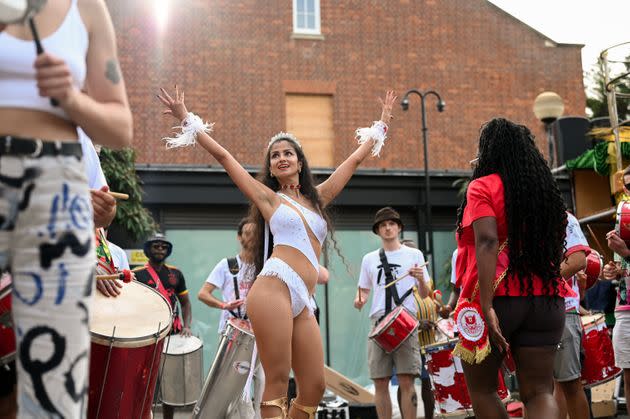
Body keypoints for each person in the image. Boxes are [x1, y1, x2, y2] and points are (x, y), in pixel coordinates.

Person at [157, 86, 397, 419]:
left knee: (312, 386)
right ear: (271, 167)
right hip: (274, 286)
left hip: (304, 297)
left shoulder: (317, 199)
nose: (281, 158)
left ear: (299, 162)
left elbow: (354, 160)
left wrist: (383, 121)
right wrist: (188, 120)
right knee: (278, 380)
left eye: (287, 153)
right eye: (275, 155)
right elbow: (226, 159)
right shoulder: (270, 199)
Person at [0, 0, 132, 416]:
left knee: (52, 392)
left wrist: (71, 99)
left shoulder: (87, 9)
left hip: (56, 197)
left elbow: (120, 126)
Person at [453, 118, 569, 419]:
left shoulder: (482, 186)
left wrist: (487, 304)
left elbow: (488, 241)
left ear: (488, 150)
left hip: (501, 296)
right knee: (541, 392)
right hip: (547, 297)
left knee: (483, 390)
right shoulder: (544, 192)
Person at [354, 207, 431, 419]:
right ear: (378, 231)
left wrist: (421, 279)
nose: (388, 228)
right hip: (379, 323)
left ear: (398, 228)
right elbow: (363, 291)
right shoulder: (369, 259)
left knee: (407, 380)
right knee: (380, 381)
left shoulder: (414, 255)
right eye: (383, 225)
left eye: (392, 224)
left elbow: (425, 295)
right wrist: (359, 300)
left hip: (405, 322)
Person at [198, 218, 264, 419]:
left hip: (260, 332)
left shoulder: (265, 266)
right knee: (237, 383)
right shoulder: (227, 265)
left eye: (255, 234)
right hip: (233, 333)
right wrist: (223, 305)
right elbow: (203, 293)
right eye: (247, 233)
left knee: (263, 380)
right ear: (239, 237)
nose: (251, 238)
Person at [134, 233, 192, 419]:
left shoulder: (175, 274)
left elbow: (185, 303)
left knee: (170, 383)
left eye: (164, 247)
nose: (160, 249)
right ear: (148, 249)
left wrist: (186, 326)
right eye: (156, 246)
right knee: (144, 380)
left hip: (172, 335)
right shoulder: (137, 273)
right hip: (147, 334)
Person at [553, 212, 590, 419]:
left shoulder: (564, 218)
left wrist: (542, 285)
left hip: (563, 311)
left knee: (569, 384)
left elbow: (578, 260)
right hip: (534, 311)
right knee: (542, 387)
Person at [602, 164, 630, 409]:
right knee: (629, 377)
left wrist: (626, 253)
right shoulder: (625, 224)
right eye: (627, 185)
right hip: (625, 309)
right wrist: (612, 270)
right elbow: (620, 269)